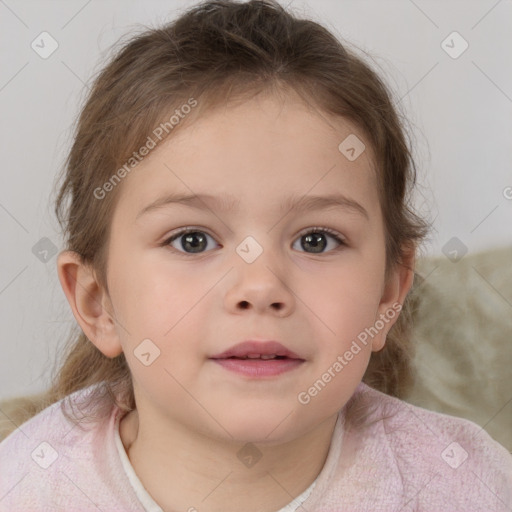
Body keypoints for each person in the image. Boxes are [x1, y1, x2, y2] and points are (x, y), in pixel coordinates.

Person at [1, 1, 511, 510]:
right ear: (97, 303)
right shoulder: (26, 488)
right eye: (192, 240)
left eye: (317, 240)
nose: (260, 287)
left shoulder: (465, 482)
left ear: (388, 293)